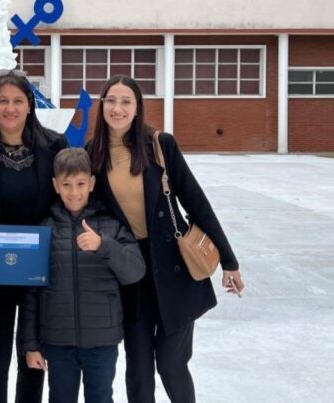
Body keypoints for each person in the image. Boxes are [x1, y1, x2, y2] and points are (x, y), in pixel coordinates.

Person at [86, 75, 245, 403]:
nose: (118, 108)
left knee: (172, 363)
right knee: (139, 367)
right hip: (132, 273)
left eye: (126, 101)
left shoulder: (159, 145)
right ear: (101, 107)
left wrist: (229, 262)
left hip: (174, 268)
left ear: (137, 108)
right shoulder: (93, 155)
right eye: (111, 101)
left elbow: (195, 202)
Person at [0, 69, 69, 403]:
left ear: (30, 106)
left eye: (18, 101)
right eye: (3, 100)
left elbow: (68, 197)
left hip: (40, 270)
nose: (11, 108)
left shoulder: (54, 145)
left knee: (33, 359)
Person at [17, 148, 145, 403]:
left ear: (92, 184)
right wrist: (30, 344)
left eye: (80, 184)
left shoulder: (111, 226)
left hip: (101, 342)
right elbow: (31, 292)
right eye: (66, 184)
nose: (73, 192)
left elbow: (135, 271)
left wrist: (104, 245)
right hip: (58, 342)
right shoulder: (46, 230)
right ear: (55, 185)